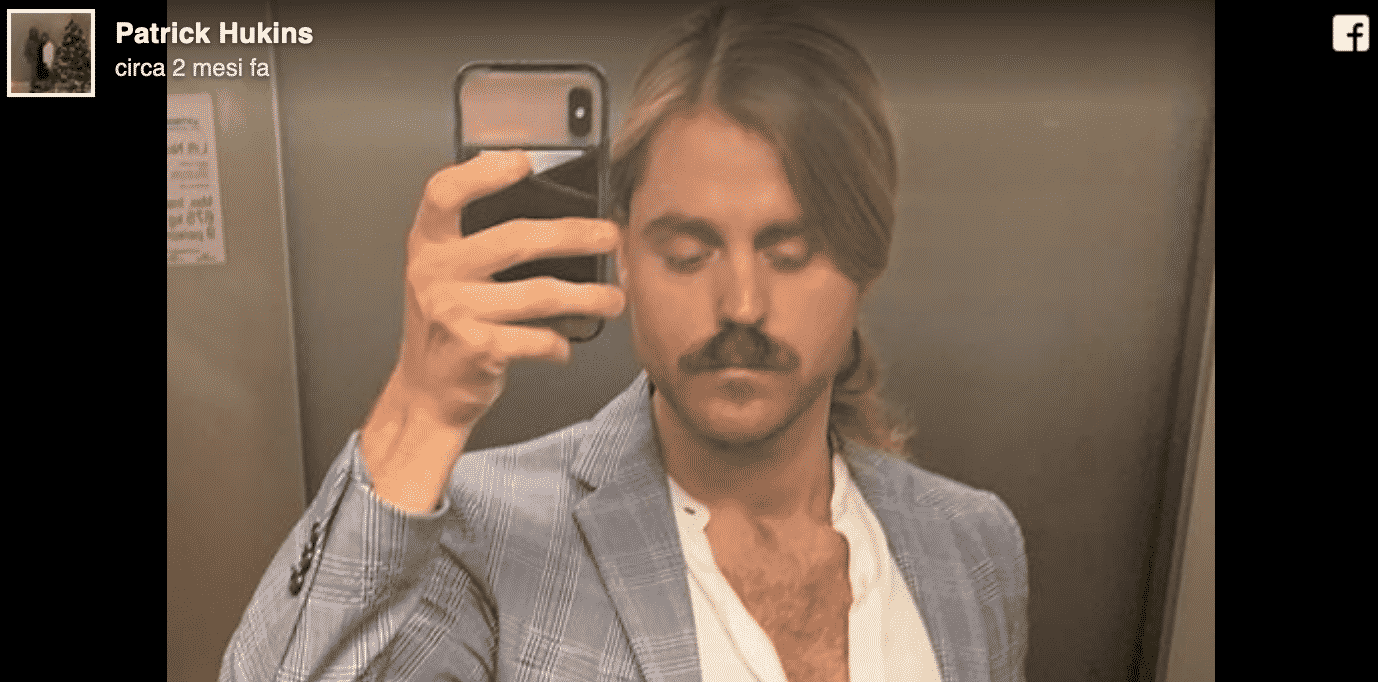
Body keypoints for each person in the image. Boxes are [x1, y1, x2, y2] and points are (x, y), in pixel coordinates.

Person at [220, 2, 1028, 680]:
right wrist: (421, 408)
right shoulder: (484, 533)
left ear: (864, 262)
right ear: (626, 255)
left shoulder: (973, 542)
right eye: (687, 252)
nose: (741, 305)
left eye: (789, 252)